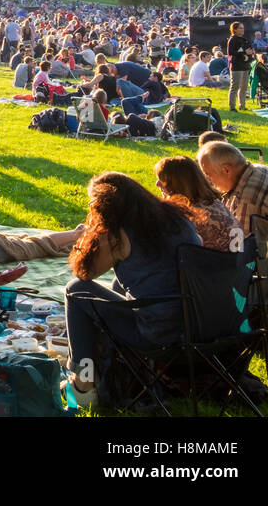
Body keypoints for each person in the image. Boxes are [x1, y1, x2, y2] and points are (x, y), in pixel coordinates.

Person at [64, 172, 202, 408]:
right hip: (198, 325)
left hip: (157, 334)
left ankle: (84, 382)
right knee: (118, 285)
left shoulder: (118, 233)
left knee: (76, 291)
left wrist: (92, 233)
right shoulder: (177, 218)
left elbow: (84, 272)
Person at [197, 140, 268, 255]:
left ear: (226, 170)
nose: (208, 181)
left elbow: (238, 250)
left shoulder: (246, 200)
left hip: (267, 261)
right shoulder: (262, 169)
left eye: (208, 174)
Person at [154, 155, 239, 251]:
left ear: (178, 184)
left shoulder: (194, 214)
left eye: (162, 179)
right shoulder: (212, 202)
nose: (157, 184)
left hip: (215, 264)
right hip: (236, 262)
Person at [227, 20, 251, 112]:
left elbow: (249, 49)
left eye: (243, 28)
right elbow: (230, 52)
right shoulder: (232, 39)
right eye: (240, 28)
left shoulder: (244, 39)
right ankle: (232, 107)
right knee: (235, 87)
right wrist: (244, 53)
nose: (242, 30)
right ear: (235, 30)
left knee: (244, 87)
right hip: (237, 66)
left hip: (245, 65)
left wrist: (250, 52)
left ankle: (242, 105)